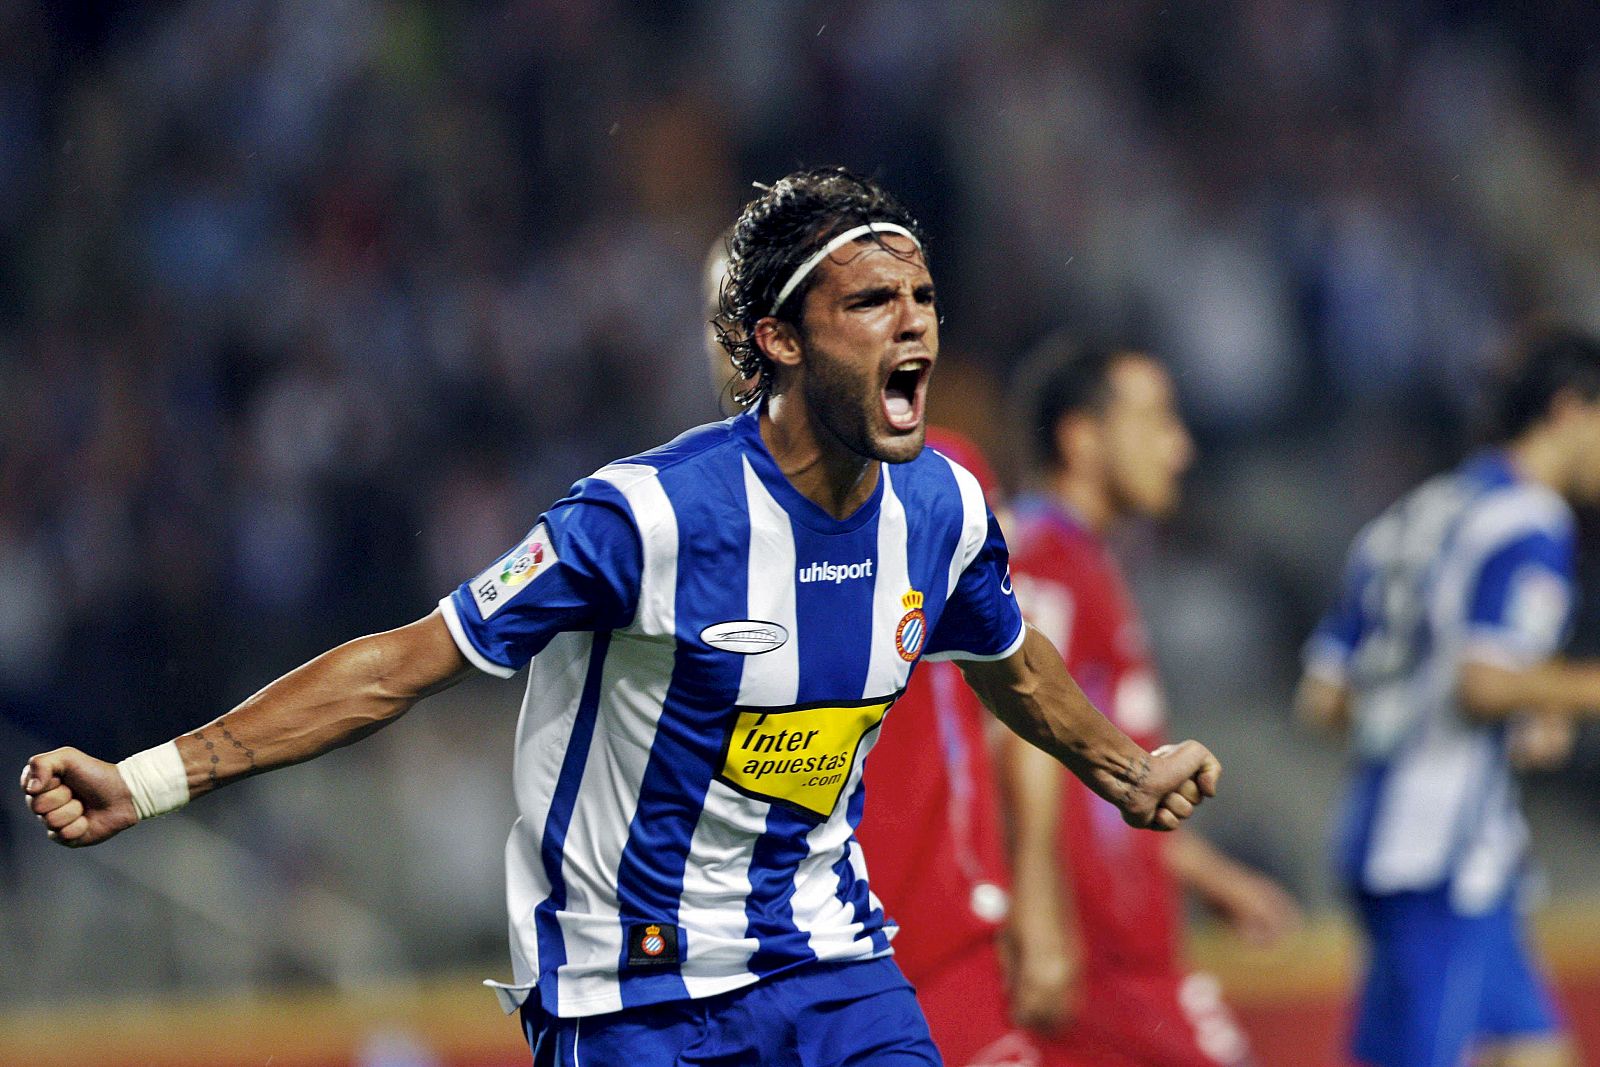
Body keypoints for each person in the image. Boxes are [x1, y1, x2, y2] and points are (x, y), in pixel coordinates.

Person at [21, 169, 1222, 1067]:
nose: (913, 323)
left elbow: (1006, 657)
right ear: (779, 338)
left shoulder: (943, 506)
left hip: (830, 962)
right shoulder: (646, 517)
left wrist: (1121, 769)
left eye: (921, 298)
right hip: (632, 993)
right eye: (870, 302)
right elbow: (401, 665)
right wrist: (155, 778)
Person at [704, 225, 1039, 1067]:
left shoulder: (938, 484)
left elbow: (1018, 700)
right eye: (724, 316)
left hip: (942, 932)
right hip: (766, 957)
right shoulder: (682, 523)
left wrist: (1037, 897)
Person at [1297, 329, 1600, 1067]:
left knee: (1537, 1050)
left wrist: (1423, 718)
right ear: (1568, 411)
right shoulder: (1530, 520)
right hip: (1436, 855)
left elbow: (1324, 694)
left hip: (1427, 838)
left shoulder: (1418, 512)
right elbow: (1485, 680)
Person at [1003, 339, 1300, 1067]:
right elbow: (1015, 738)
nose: (1181, 446)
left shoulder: (1086, 560)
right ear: (1082, 436)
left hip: (1117, 951)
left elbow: (1108, 783)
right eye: (1157, 420)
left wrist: (1214, 879)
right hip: (1097, 959)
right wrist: (1039, 916)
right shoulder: (1041, 559)